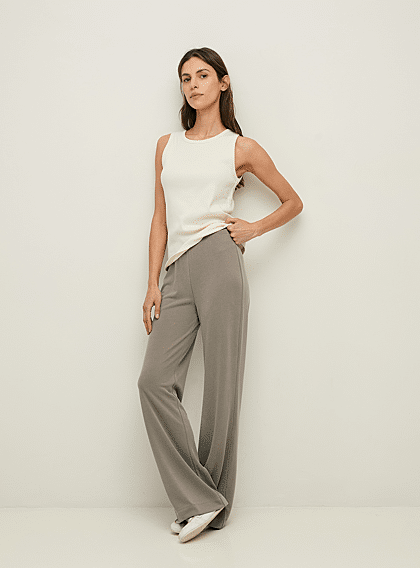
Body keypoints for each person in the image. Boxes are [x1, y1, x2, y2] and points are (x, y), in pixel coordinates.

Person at [137, 47, 304, 543]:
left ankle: (211, 504)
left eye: (203, 75)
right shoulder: (166, 146)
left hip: (218, 259)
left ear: (223, 83)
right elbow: (160, 218)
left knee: (221, 386)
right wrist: (152, 283)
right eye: (185, 78)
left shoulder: (241, 147)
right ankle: (200, 498)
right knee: (153, 382)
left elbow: (293, 201)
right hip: (175, 269)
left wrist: (253, 228)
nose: (193, 84)